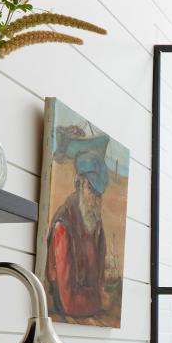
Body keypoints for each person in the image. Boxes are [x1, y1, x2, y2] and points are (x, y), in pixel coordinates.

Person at [45, 137, 109, 320]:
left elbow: (99, 282)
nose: (96, 200)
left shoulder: (95, 225)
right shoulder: (63, 228)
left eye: (100, 194)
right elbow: (69, 302)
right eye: (92, 190)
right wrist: (99, 299)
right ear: (79, 185)